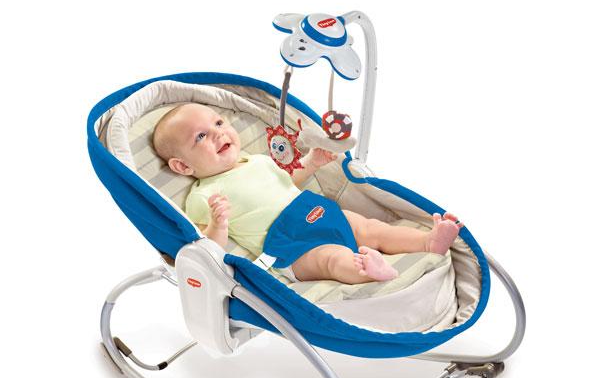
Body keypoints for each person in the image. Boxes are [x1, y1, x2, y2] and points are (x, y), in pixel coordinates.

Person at [152, 103, 462, 284]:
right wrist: (218, 225)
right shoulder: (203, 196)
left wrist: (311, 162)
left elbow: (288, 181)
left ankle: (427, 242)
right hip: (289, 246)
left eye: (219, 122)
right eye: (201, 136)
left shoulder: (256, 160)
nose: (219, 132)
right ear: (182, 166)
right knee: (331, 259)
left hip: (317, 212)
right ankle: (368, 272)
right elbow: (209, 249)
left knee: (371, 228)